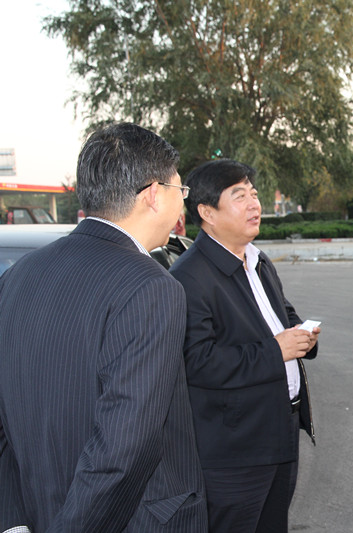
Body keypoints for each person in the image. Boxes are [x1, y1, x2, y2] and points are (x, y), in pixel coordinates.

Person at [0, 123, 207, 532]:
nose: (182, 204)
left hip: (35, 513)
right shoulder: (151, 286)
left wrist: (13, 520)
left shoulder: (19, 274)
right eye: (180, 191)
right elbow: (123, 449)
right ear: (153, 194)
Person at [170, 159, 320, 533]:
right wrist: (276, 350)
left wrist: (301, 336)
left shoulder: (257, 259)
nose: (255, 204)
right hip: (235, 449)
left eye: (254, 194)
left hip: (280, 429)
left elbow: (281, 314)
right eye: (240, 196)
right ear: (207, 213)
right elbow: (197, 362)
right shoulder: (189, 277)